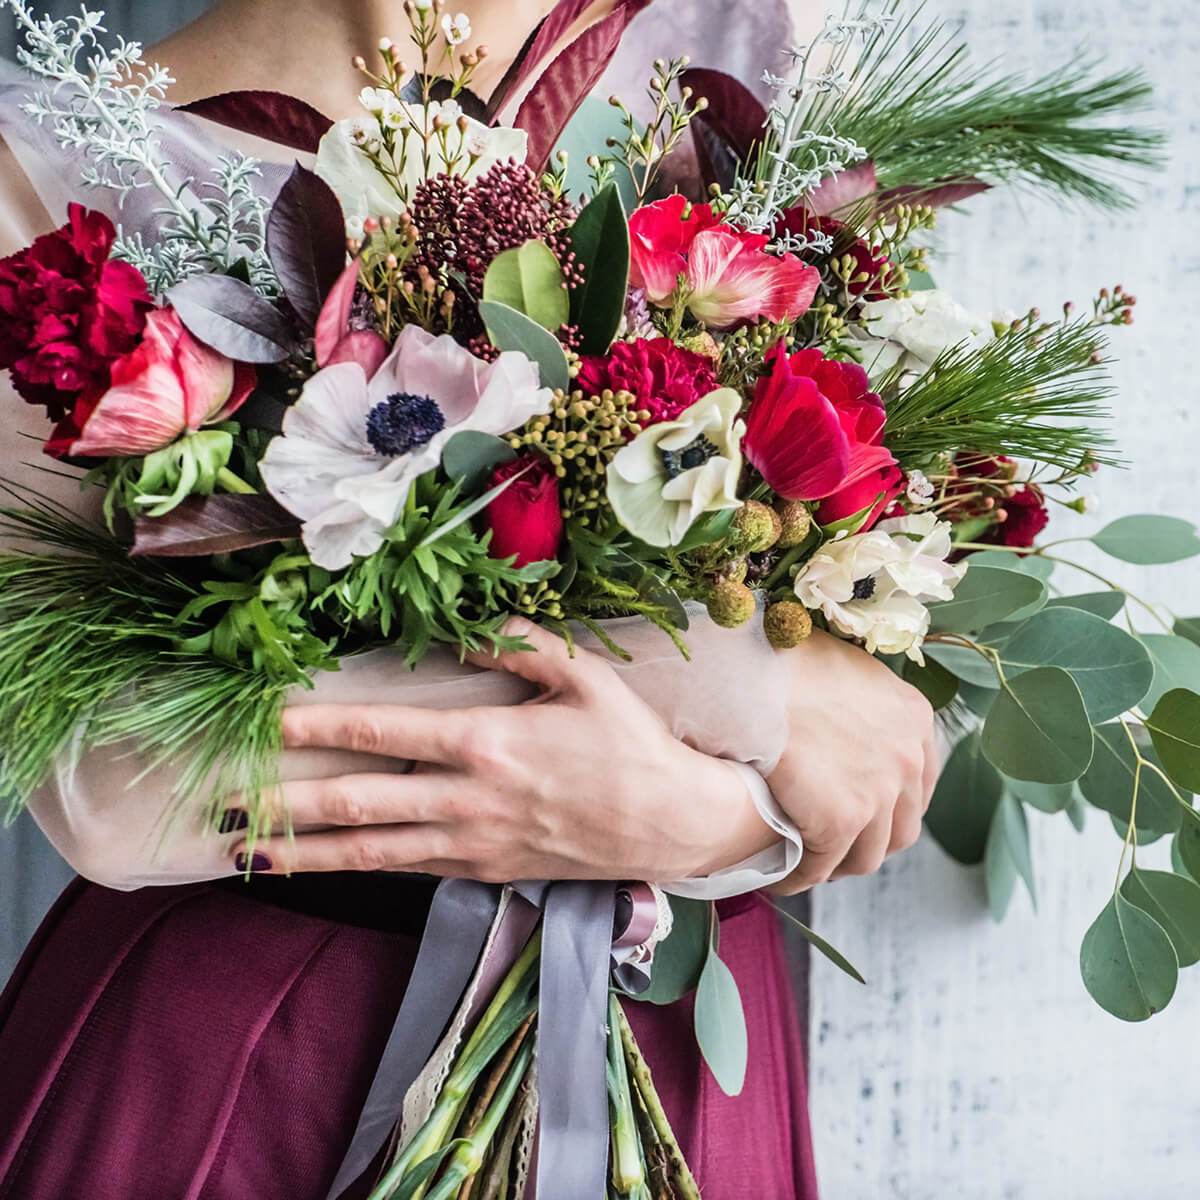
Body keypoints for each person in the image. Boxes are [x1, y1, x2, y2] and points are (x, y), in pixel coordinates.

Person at [0, 2, 939, 1197]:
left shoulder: (764, 53)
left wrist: (719, 820)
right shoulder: (55, 156)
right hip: (255, 1052)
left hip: (675, 1022)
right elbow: (113, 785)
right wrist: (738, 726)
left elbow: (899, 630)